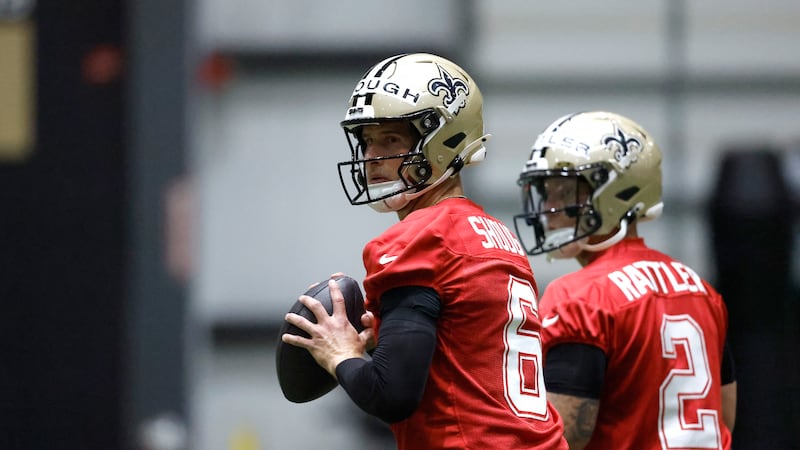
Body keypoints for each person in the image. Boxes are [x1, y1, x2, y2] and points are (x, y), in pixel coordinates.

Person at [281, 53, 567, 449]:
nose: (371, 158)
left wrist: (339, 355)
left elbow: (391, 395)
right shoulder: (498, 237)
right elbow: (463, 356)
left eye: (391, 139)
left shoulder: (419, 237)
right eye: (367, 141)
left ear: (445, 141)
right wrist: (380, 340)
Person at [513, 111, 737, 449]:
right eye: (547, 192)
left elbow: (565, 437)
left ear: (617, 195)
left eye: (565, 191)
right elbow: (725, 417)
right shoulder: (701, 290)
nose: (549, 207)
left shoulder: (581, 296)